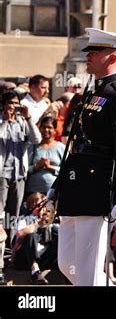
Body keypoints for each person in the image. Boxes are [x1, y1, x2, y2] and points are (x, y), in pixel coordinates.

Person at [51, 28, 116, 286]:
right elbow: (76, 144)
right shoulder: (93, 93)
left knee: (88, 269)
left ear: (112, 57)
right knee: (66, 262)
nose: (88, 57)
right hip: (75, 184)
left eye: (95, 52)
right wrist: (57, 186)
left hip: (96, 187)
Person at [0, 91, 41, 284]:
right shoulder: (1, 122)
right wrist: (5, 121)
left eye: (16, 103)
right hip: (2, 176)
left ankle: (9, 251)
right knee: (0, 216)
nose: (13, 107)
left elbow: (37, 139)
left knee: (14, 215)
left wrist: (28, 117)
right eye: (10, 103)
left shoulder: (23, 122)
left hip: (18, 176)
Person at [11, 192, 59, 285]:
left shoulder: (49, 221)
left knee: (60, 237)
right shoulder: (25, 220)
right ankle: (35, 272)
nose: (43, 209)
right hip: (24, 260)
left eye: (45, 206)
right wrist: (38, 224)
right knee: (30, 235)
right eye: (39, 206)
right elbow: (19, 234)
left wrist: (58, 218)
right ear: (31, 208)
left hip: (43, 259)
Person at [26, 116, 65, 197]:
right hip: (32, 192)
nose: (46, 130)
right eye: (43, 127)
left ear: (55, 130)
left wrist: (50, 167)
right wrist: (36, 167)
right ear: (39, 129)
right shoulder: (33, 146)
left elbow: (66, 170)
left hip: (53, 193)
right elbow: (24, 168)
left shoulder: (61, 148)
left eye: (50, 127)